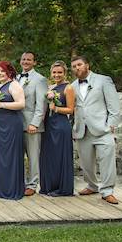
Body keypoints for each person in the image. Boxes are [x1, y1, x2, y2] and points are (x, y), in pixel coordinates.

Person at [71, 56, 120, 204]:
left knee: (107, 161)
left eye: (79, 65)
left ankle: (107, 190)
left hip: (102, 128)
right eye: (73, 66)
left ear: (87, 65)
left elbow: (114, 105)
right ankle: (92, 185)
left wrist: (111, 124)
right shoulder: (72, 86)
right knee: (86, 163)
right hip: (82, 130)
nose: (77, 68)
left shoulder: (103, 80)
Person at [0, 61, 26, 200]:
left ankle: (12, 189)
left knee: (10, 155)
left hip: (11, 125)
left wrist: (1, 104)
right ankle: (1, 188)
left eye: (2, 71)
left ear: (9, 72)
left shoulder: (14, 85)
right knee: (0, 155)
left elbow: (21, 104)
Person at [40, 61, 75, 197]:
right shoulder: (50, 87)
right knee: (50, 156)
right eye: (54, 72)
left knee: (60, 156)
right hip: (49, 125)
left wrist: (56, 108)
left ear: (65, 73)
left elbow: (71, 110)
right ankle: (49, 186)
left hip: (61, 125)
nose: (57, 75)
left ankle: (62, 188)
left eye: (60, 72)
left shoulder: (69, 88)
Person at [18, 51, 48, 196]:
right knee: (18, 156)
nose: (26, 62)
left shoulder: (40, 79)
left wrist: (35, 123)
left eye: (29, 60)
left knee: (33, 157)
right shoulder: (16, 78)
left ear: (34, 62)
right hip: (17, 124)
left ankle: (32, 184)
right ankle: (21, 182)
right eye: (23, 59)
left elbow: (42, 104)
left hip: (31, 125)